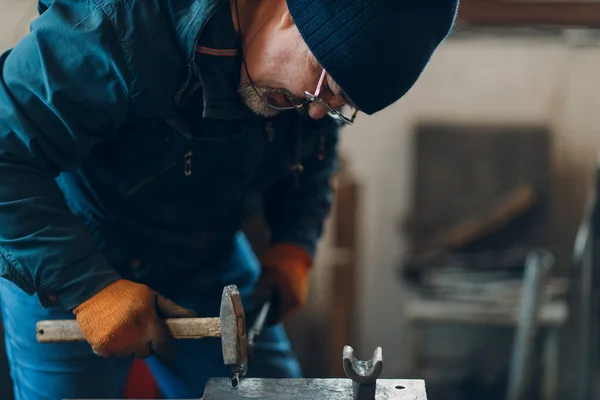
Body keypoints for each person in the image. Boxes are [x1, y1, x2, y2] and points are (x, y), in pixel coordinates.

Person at [0, 0, 459, 398]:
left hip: (207, 260)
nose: (319, 108)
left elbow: (313, 151)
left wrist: (293, 248)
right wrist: (85, 286)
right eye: (325, 87)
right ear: (287, 16)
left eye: (341, 104)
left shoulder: (307, 84)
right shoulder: (119, 23)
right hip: (68, 249)